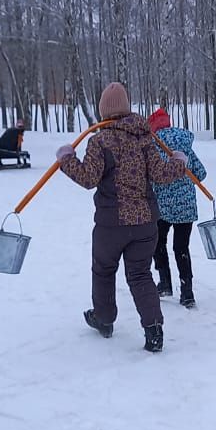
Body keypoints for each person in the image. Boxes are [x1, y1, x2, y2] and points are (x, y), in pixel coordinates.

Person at [56, 82, 188, 353]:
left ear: (104, 112)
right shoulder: (145, 139)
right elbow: (162, 175)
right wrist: (178, 161)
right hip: (144, 224)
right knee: (140, 275)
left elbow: (88, 178)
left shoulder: (100, 140)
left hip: (111, 225)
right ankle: (154, 330)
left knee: (104, 271)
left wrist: (67, 160)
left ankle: (104, 320)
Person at [148, 107, 207, 308]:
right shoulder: (185, 145)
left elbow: (150, 175)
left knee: (158, 242)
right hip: (186, 207)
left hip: (162, 207)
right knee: (181, 247)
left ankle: (165, 282)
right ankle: (187, 292)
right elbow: (200, 173)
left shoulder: (153, 145)